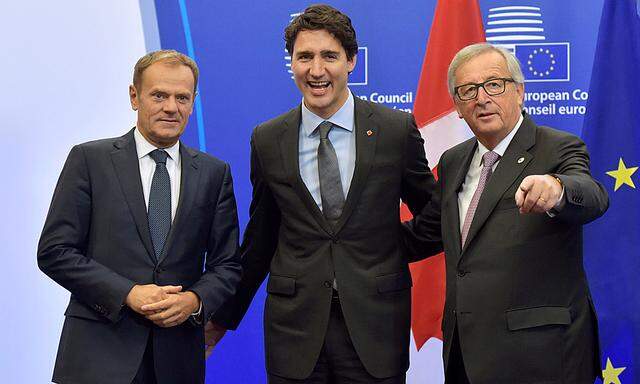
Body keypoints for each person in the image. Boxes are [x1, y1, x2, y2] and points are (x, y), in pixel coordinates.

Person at [209, 4, 440, 383]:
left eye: (329, 56)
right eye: (304, 57)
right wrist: (223, 316)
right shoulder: (268, 139)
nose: (316, 70)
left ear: (351, 61)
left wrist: (389, 246)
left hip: (375, 328)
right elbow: (262, 236)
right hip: (294, 334)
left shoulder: (394, 130)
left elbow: (434, 213)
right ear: (292, 64)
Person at [405, 43, 609, 384]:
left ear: (519, 91)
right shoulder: (454, 161)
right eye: (468, 90)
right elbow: (426, 234)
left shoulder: (557, 147)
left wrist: (556, 189)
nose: (481, 98)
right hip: (465, 355)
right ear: (456, 105)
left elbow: (592, 196)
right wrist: (344, 239)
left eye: (494, 84)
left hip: (540, 357)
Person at [37, 50, 242, 384]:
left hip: (177, 360)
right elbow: (55, 251)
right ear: (135, 96)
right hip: (96, 356)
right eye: (159, 95)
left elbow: (228, 265)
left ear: (192, 103)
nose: (171, 107)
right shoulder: (90, 160)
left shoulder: (213, 173)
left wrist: (193, 301)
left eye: (182, 98)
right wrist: (127, 292)